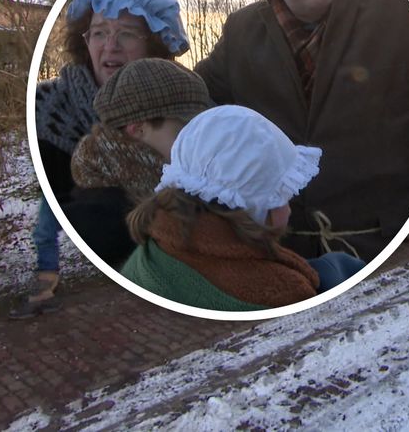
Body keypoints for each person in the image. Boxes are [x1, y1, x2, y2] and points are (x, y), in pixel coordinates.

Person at [195, 0, 409, 261]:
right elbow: (194, 104)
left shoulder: (399, 11)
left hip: (388, 246)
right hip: (282, 256)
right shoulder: (241, 32)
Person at [13, 0, 189, 319]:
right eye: (99, 32)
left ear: (153, 44)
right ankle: (45, 276)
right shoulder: (48, 108)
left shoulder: (183, 106)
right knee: (46, 222)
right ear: (85, 40)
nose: (110, 46)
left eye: (126, 33)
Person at [120, 106, 365, 311]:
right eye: (281, 196)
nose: (289, 209)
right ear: (251, 206)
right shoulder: (281, 292)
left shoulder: (157, 244)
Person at [64, 59, 213, 268]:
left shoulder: (190, 186)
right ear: (138, 130)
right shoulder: (100, 222)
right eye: (185, 130)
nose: (199, 142)